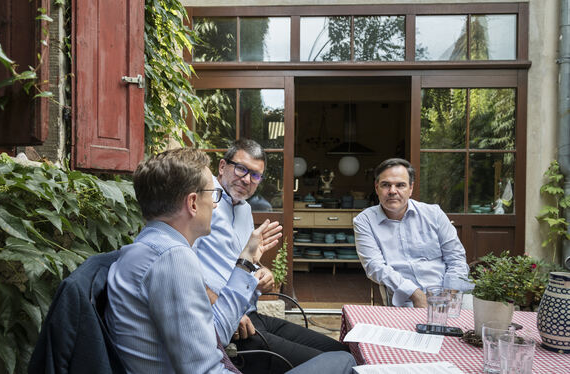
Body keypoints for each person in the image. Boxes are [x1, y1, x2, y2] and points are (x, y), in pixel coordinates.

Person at [105, 147, 355, 374]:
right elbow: (204, 369)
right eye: (212, 194)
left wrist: (247, 261)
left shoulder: (152, 246)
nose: (215, 205)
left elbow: (215, 333)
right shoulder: (172, 258)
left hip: (240, 322)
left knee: (340, 357)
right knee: (346, 363)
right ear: (193, 202)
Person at [195, 140, 352, 373]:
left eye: (255, 175)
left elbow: (242, 259)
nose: (247, 179)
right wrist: (221, 309)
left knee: (342, 351)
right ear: (221, 166)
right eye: (241, 169)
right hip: (232, 326)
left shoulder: (245, 209)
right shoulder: (205, 203)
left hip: (251, 314)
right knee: (339, 365)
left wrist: (262, 272)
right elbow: (185, 270)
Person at [353, 158, 472, 308]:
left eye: (400, 185)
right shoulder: (365, 221)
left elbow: (456, 257)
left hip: (449, 296)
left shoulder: (434, 213)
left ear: (411, 188)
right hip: (405, 300)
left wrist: (448, 295)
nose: (392, 191)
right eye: (386, 185)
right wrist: (415, 294)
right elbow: (374, 266)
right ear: (376, 188)